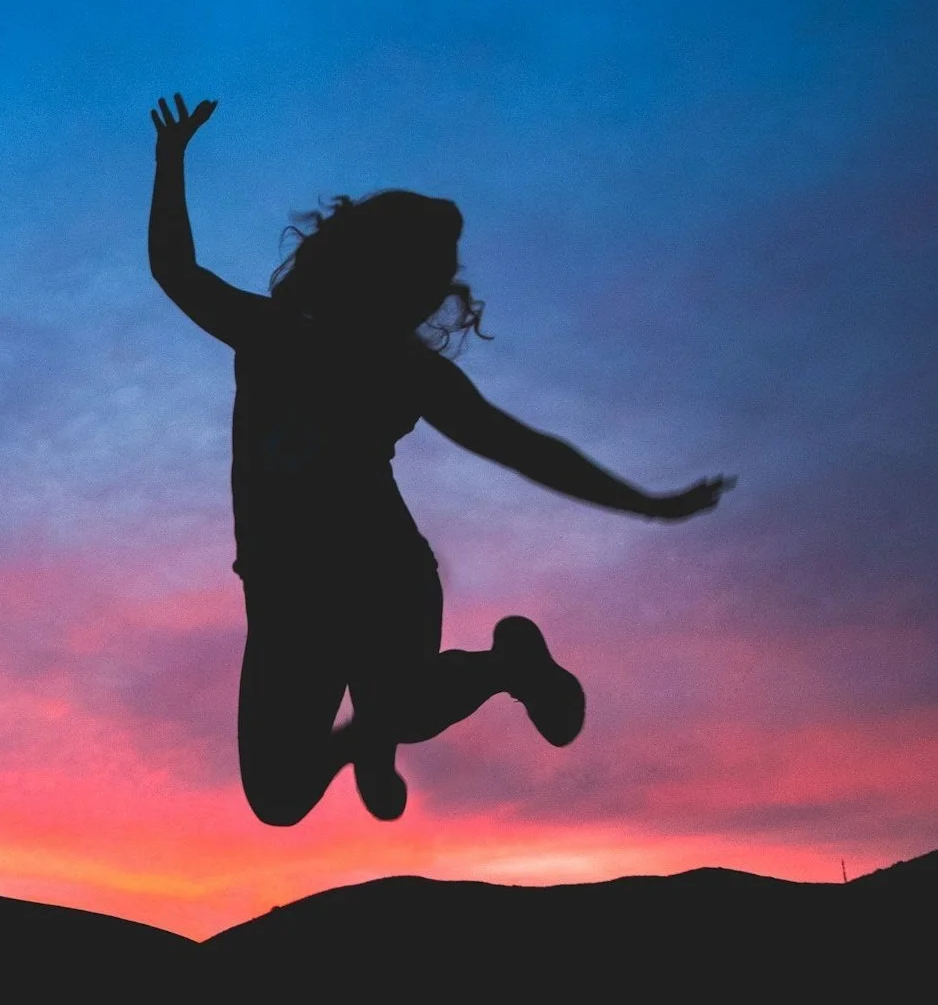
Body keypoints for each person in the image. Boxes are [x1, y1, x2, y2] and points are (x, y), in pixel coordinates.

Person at [148, 94, 731, 824]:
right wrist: (170, 161)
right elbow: (175, 270)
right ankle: (373, 736)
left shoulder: (399, 368)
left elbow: (522, 448)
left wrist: (647, 503)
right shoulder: (277, 332)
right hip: (283, 588)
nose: (428, 299)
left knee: (403, 703)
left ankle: (493, 673)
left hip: (376, 568)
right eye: (424, 280)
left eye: (431, 284)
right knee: (278, 796)